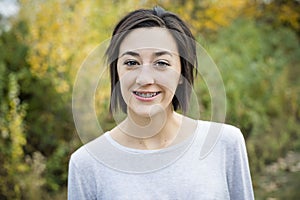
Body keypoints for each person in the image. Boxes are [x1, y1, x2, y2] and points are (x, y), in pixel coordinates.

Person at [68, 6, 254, 200]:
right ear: (117, 71)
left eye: (162, 63)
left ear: (182, 72)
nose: (144, 79)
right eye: (131, 62)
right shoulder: (86, 164)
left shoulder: (225, 143)